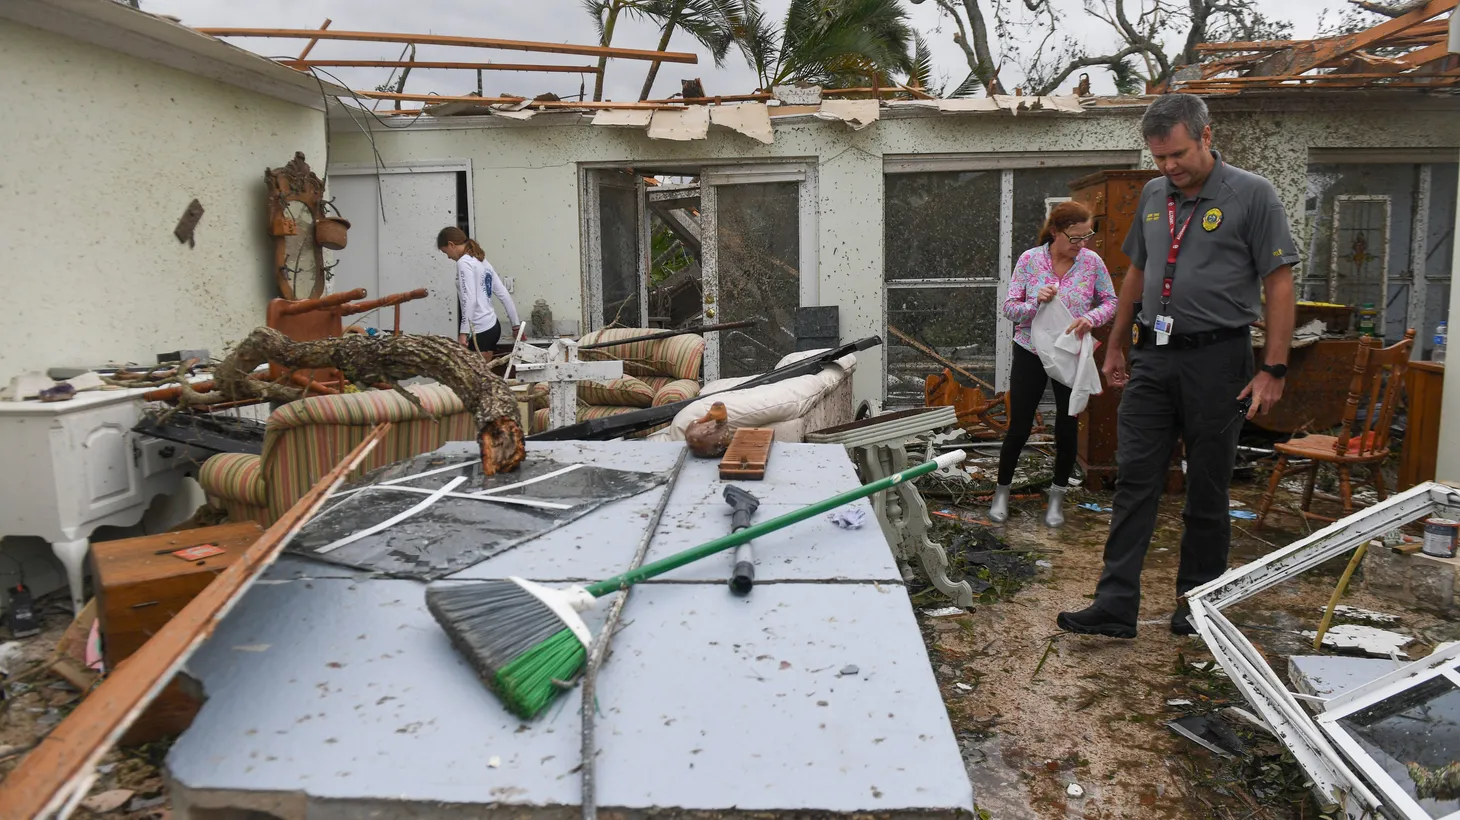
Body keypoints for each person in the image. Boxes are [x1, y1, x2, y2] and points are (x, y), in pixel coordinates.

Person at [1056, 93, 1297, 639]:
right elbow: (1137, 274)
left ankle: (1200, 605)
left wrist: (1273, 369)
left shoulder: (1253, 195)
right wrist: (1115, 344)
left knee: (1207, 488)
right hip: (1153, 359)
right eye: (1159, 157)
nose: (1168, 167)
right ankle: (1115, 606)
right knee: (1134, 481)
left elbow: (1279, 285)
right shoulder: (1152, 195)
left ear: (1207, 136)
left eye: (1178, 155)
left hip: (1219, 361)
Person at [992, 201, 1116, 528]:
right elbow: (1009, 308)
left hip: (1069, 352)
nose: (1082, 244)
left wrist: (1090, 319)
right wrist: (1036, 302)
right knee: (1019, 425)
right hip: (1031, 350)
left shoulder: (1092, 263)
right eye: (1075, 238)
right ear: (1056, 233)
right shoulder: (1030, 261)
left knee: (1066, 424)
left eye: (1087, 236)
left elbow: (1111, 301)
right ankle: (1001, 494)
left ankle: (1056, 500)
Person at [437, 226, 520, 362]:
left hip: (480, 330)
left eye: (445, 252)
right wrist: (515, 325)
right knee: (483, 377)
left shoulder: (464, 262)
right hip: (493, 326)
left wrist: (463, 332)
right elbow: (503, 293)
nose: (448, 257)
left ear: (451, 244)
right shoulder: (481, 260)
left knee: (477, 380)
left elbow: (469, 299)